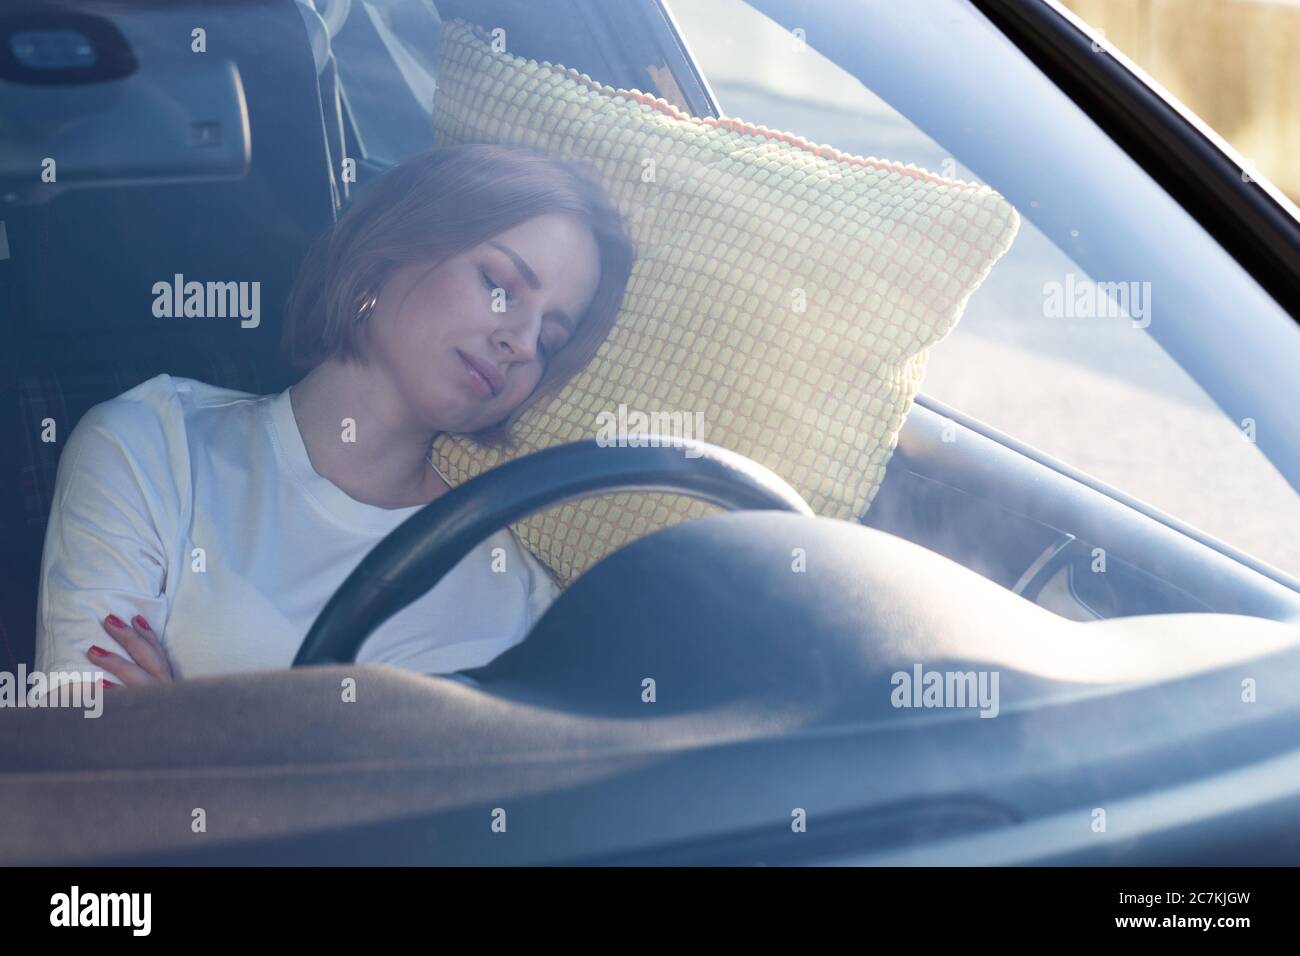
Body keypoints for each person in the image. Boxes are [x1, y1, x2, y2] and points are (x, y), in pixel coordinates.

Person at [33, 143, 634, 690]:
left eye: (551, 339)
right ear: (390, 250)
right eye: (498, 283)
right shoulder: (154, 445)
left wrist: (186, 735)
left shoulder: (523, 588)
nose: (523, 343)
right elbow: (90, 770)